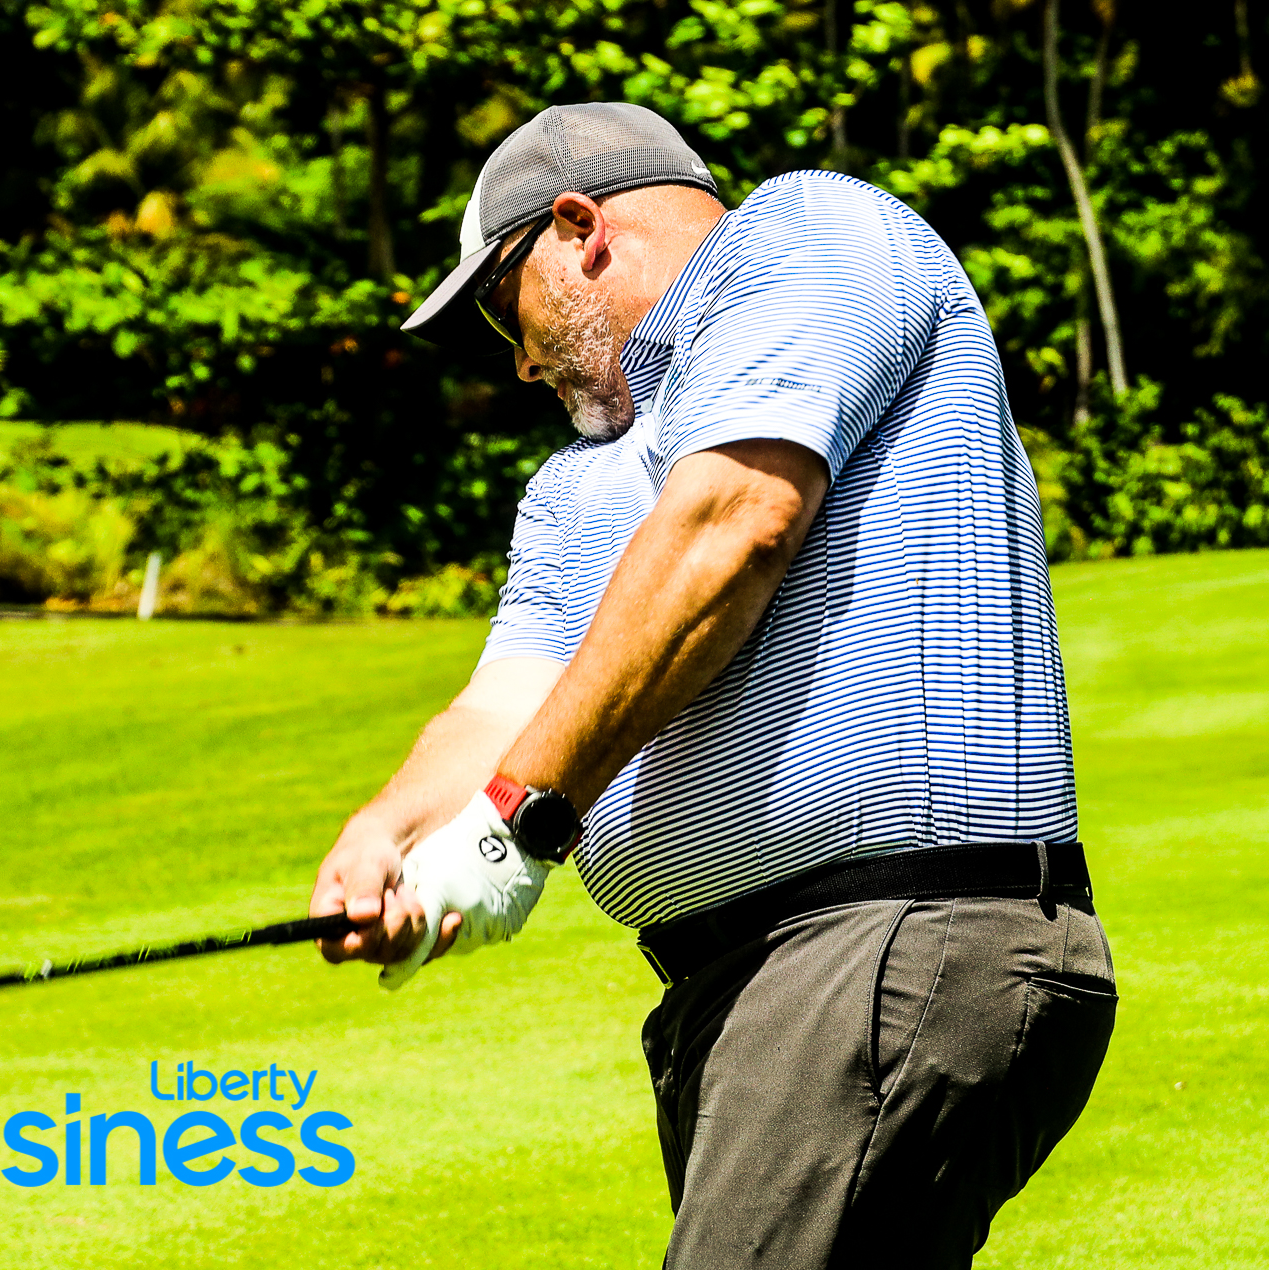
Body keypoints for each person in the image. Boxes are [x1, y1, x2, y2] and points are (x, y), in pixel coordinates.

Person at [306, 102, 1118, 1268]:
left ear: (579, 228)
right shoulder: (579, 483)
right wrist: (389, 833)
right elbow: (505, 703)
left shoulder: (810, 230)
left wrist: (516, 824)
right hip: (743, 993)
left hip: (886, 939)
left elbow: (737, 524)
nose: (519, 358)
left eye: (501, 305)